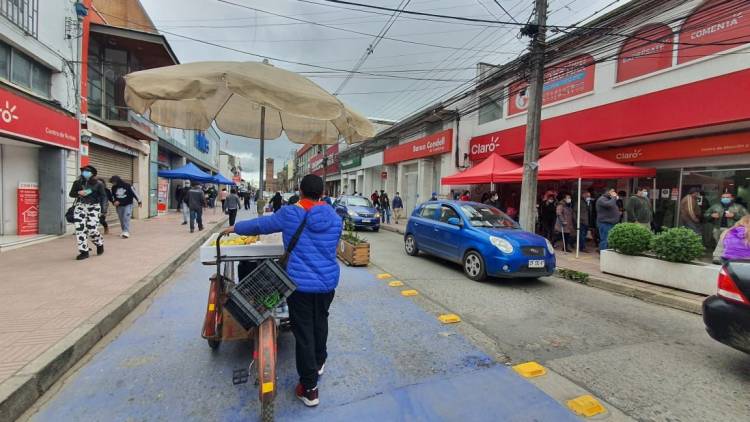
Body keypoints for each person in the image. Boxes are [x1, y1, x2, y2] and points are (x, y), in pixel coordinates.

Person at [223, 174, 341, 407]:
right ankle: (319, 362)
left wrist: (235, 227)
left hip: (301, 285)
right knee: (321, 321)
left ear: (301, 190)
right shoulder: (335, 217)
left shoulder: (291, 214)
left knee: (304, 332)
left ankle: (309, 389)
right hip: (327, 283)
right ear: (323, 193)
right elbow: (333, 247)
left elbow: (261, 225)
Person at [69, 165, 107, 260]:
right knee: (80, 229)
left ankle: (99, 243)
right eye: (83, 171)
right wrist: (78, 193)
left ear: (92, 173)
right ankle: (84, 252)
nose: (85, 172)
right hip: (80, 207)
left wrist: (103, 210)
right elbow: (71, 194)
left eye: (87, 171)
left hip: (93, 207)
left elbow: (103, 196)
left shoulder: (98, 184)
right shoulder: (77, 183)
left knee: (92, 229)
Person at [706, 192, 748, 263]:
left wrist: (734, 215)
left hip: (732, 229)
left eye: (727, 197)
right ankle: (721, 257)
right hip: (718, 228)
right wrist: (711, 215)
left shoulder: (739, 207)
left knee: (727, 243)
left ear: (732, 198)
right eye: (723, 197)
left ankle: (722, 258)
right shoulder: (716, 206)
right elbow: (705, 214)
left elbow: (747, 218)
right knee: (719, 243)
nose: (725, 199)